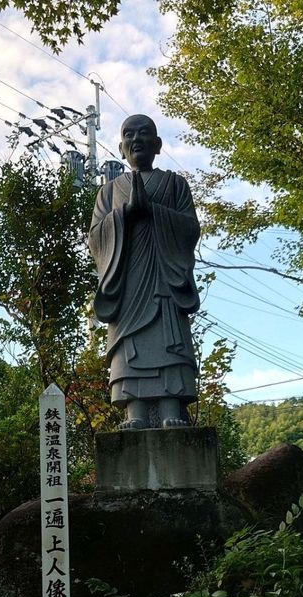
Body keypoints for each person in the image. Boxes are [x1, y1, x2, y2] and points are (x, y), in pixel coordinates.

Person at [88, 114, 200, 429]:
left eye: (145, 133)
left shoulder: (175, 184)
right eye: (129, 134)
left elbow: (190, 229)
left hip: (164, 279)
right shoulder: (109, 192)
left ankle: (170, 411)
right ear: (121, 148)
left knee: (168, 342)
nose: (137, 139)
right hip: (127, 282)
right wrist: (125, 214)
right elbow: (95, 238)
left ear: (158, 145)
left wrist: (152, 211)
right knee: (130, 346)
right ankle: (134, 413)